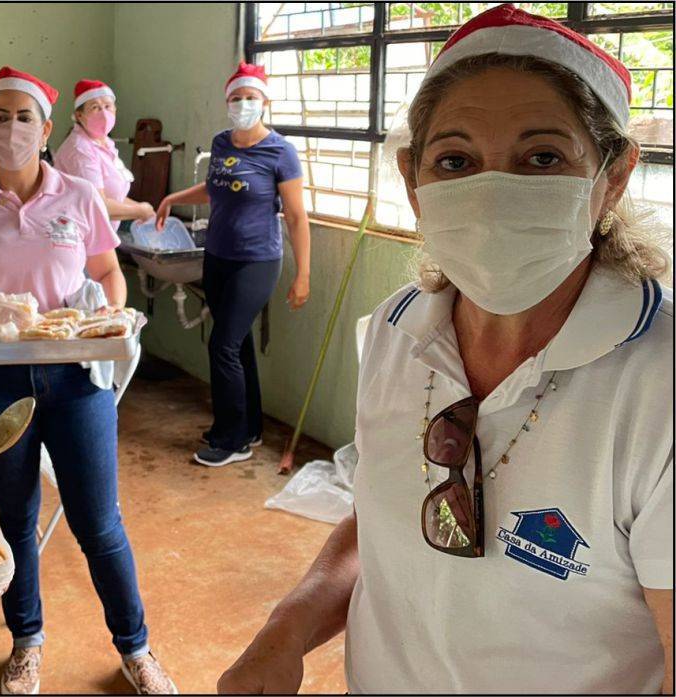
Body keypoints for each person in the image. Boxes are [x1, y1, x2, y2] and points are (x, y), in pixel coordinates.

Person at [218, 6, 673, 694]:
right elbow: (381, 519)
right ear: (413, 180)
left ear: (614, 175)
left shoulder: (657, 381)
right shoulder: (397, 332)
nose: (491, 196)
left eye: (543, 158)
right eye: (455, 161)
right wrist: (284, 632)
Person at [0, 67, 176, 695]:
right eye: (0, 116)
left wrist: (106, 319)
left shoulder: (79, 196)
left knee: (99, 522)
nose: (12, 128)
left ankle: (136, 648)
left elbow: (107, 273)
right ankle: (26, 642)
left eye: (24, 117)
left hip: (75, 378)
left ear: (46, 128)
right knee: (13, 518)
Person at [156, 62, 311, 467]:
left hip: (256, 261)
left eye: (250, 97)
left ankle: (232, 440)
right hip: (218, 256)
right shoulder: (221, 143)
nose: (243, 104)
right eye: (236, 98)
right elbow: (214, 188)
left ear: (265, 102)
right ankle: (250, 426)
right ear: (227, 103)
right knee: (237, 344)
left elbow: (297, 217)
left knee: (222, 345)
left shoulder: (280, 151)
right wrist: (173, 199)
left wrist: (303, 275)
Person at [53, 79, 154, 226]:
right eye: (95, 107)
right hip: (78, 234)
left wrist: (144, 211)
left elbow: (113, 197)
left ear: (115, 110)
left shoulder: (105, 143)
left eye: (108, 106)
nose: (104, 113)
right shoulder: (80, 149)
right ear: (79, 115)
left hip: (99, 233)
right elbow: (98, 206)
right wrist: (140, 211)